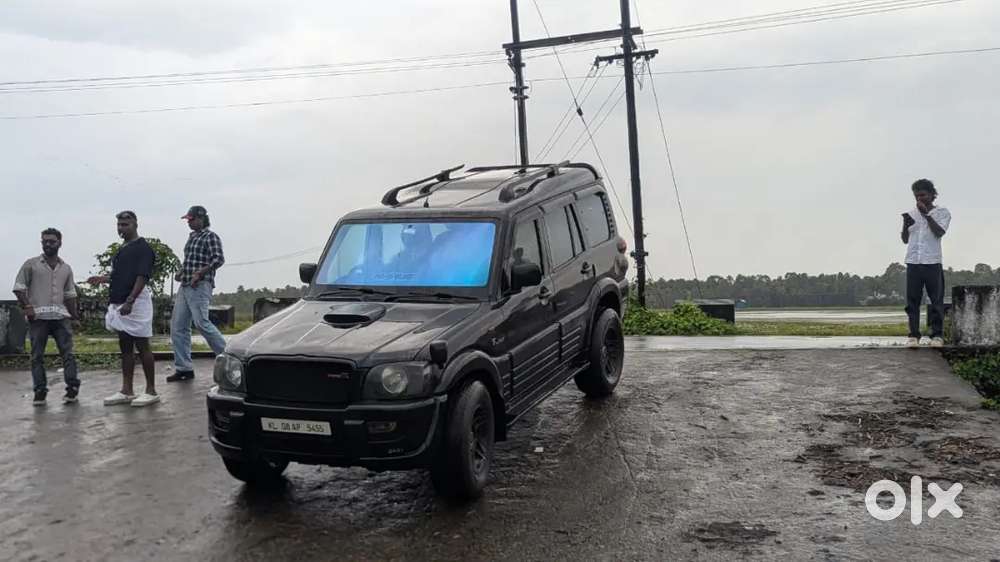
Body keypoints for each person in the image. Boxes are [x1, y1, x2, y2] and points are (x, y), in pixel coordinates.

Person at [88, 211, 160, 406]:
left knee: (142, 345)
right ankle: (127, 390)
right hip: (119, 301)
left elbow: (142, 276)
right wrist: (103, 279)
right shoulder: (123, 249)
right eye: (119, 224)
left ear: (135, 224)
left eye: (125, 224)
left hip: (135, 302)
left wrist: (130, 300)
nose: (121, 228)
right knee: (125, 346)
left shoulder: (143, 248)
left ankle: (151, 390)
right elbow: (120, 274)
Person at [12, 228, 80, 406]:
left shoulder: (66, 268)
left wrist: (75, 316)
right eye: (45, 241)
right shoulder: (31, 264)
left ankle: (72, 388)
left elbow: (70, 295)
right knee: (37, 356)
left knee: (68, 354)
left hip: (60, 317)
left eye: (52, 241)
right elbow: (19, 287)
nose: (48, 244)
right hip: (39, 318)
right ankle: (40, 391)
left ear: (60, 243)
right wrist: (27, 306)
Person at [168, 205, 227, 382]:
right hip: (185, 285)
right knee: (178, 327)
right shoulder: (192, 237)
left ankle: (229, 357)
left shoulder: (210, 236)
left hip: (200, 285)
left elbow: (219, 259)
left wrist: (200, 273)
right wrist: (181, 272)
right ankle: (183, 368)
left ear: (201, 218)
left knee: (201, 323)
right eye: (188, 220)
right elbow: (189, 261)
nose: (189, 223)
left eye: (191, 219)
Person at [901, 178, 951, 348]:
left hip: (932, 262)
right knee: (912, 301)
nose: (919, 199)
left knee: (936, 300)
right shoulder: (911, 212)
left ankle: (937, 335)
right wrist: (905, 224)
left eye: (922, 195)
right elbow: (905, 240)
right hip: (913, 261)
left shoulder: (942, 212)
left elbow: (939, 232)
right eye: (916, 196)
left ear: (931, 194)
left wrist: (926, 215)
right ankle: (913, 335)